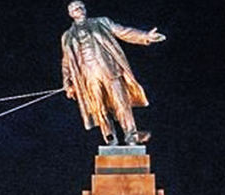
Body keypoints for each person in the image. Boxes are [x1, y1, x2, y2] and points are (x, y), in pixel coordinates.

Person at [61, 1, 166, 145]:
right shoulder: (67, 36)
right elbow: (66, 61)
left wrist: (145, 36)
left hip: (110, 70)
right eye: (74, 8)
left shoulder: (101, 22)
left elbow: (123, 32)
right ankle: (109, 137)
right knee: (99, 107)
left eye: (80, 7)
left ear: (85, 9)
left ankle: (131, 135)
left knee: (121, 103)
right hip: (89, 77)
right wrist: (67, 83)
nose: (78, 9)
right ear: (70, 14)